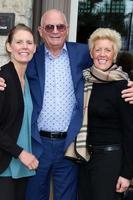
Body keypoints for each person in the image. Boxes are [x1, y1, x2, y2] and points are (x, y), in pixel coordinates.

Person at [0, 9, 133, 200]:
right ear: (41, 30)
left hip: (70, 145)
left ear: (67, 29)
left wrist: (130, 84)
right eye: (49, 26)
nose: (55, 31)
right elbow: (11, 69)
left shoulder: (82, 53)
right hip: (38, 144)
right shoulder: (31, 55)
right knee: (34, 196)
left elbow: (107, 68)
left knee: (67, 197)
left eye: (60, 26)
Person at [77, 28, 133, 200]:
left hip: (110, 160)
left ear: (114, 55)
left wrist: (127, 174)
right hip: (85, 158)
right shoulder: (85, 81)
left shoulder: (123, 86)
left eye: (107, 50)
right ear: (92, 53)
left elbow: (130, 131)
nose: (102, 54)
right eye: (98, 49)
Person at [0, 23, 39, 200]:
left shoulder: (28, 80)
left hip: (23, 166)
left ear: (35, 48)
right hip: (4, 164)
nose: (25, 46)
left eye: (29, 42)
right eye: (19, 42)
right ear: (9, 46)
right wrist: (20, 152)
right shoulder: (3, 80)